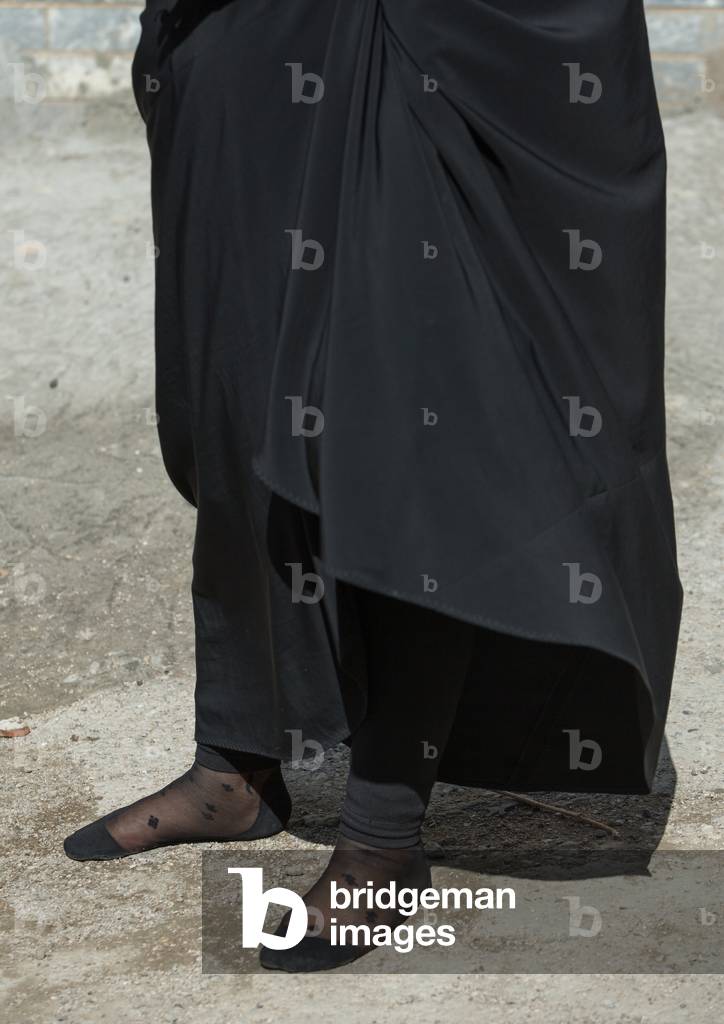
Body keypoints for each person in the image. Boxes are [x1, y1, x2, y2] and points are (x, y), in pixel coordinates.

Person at [64, 0, 683, 972]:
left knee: (408, 428)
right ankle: (238, 760)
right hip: (257, 32)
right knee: (243, 391)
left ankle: (383, 828)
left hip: (433, 40)